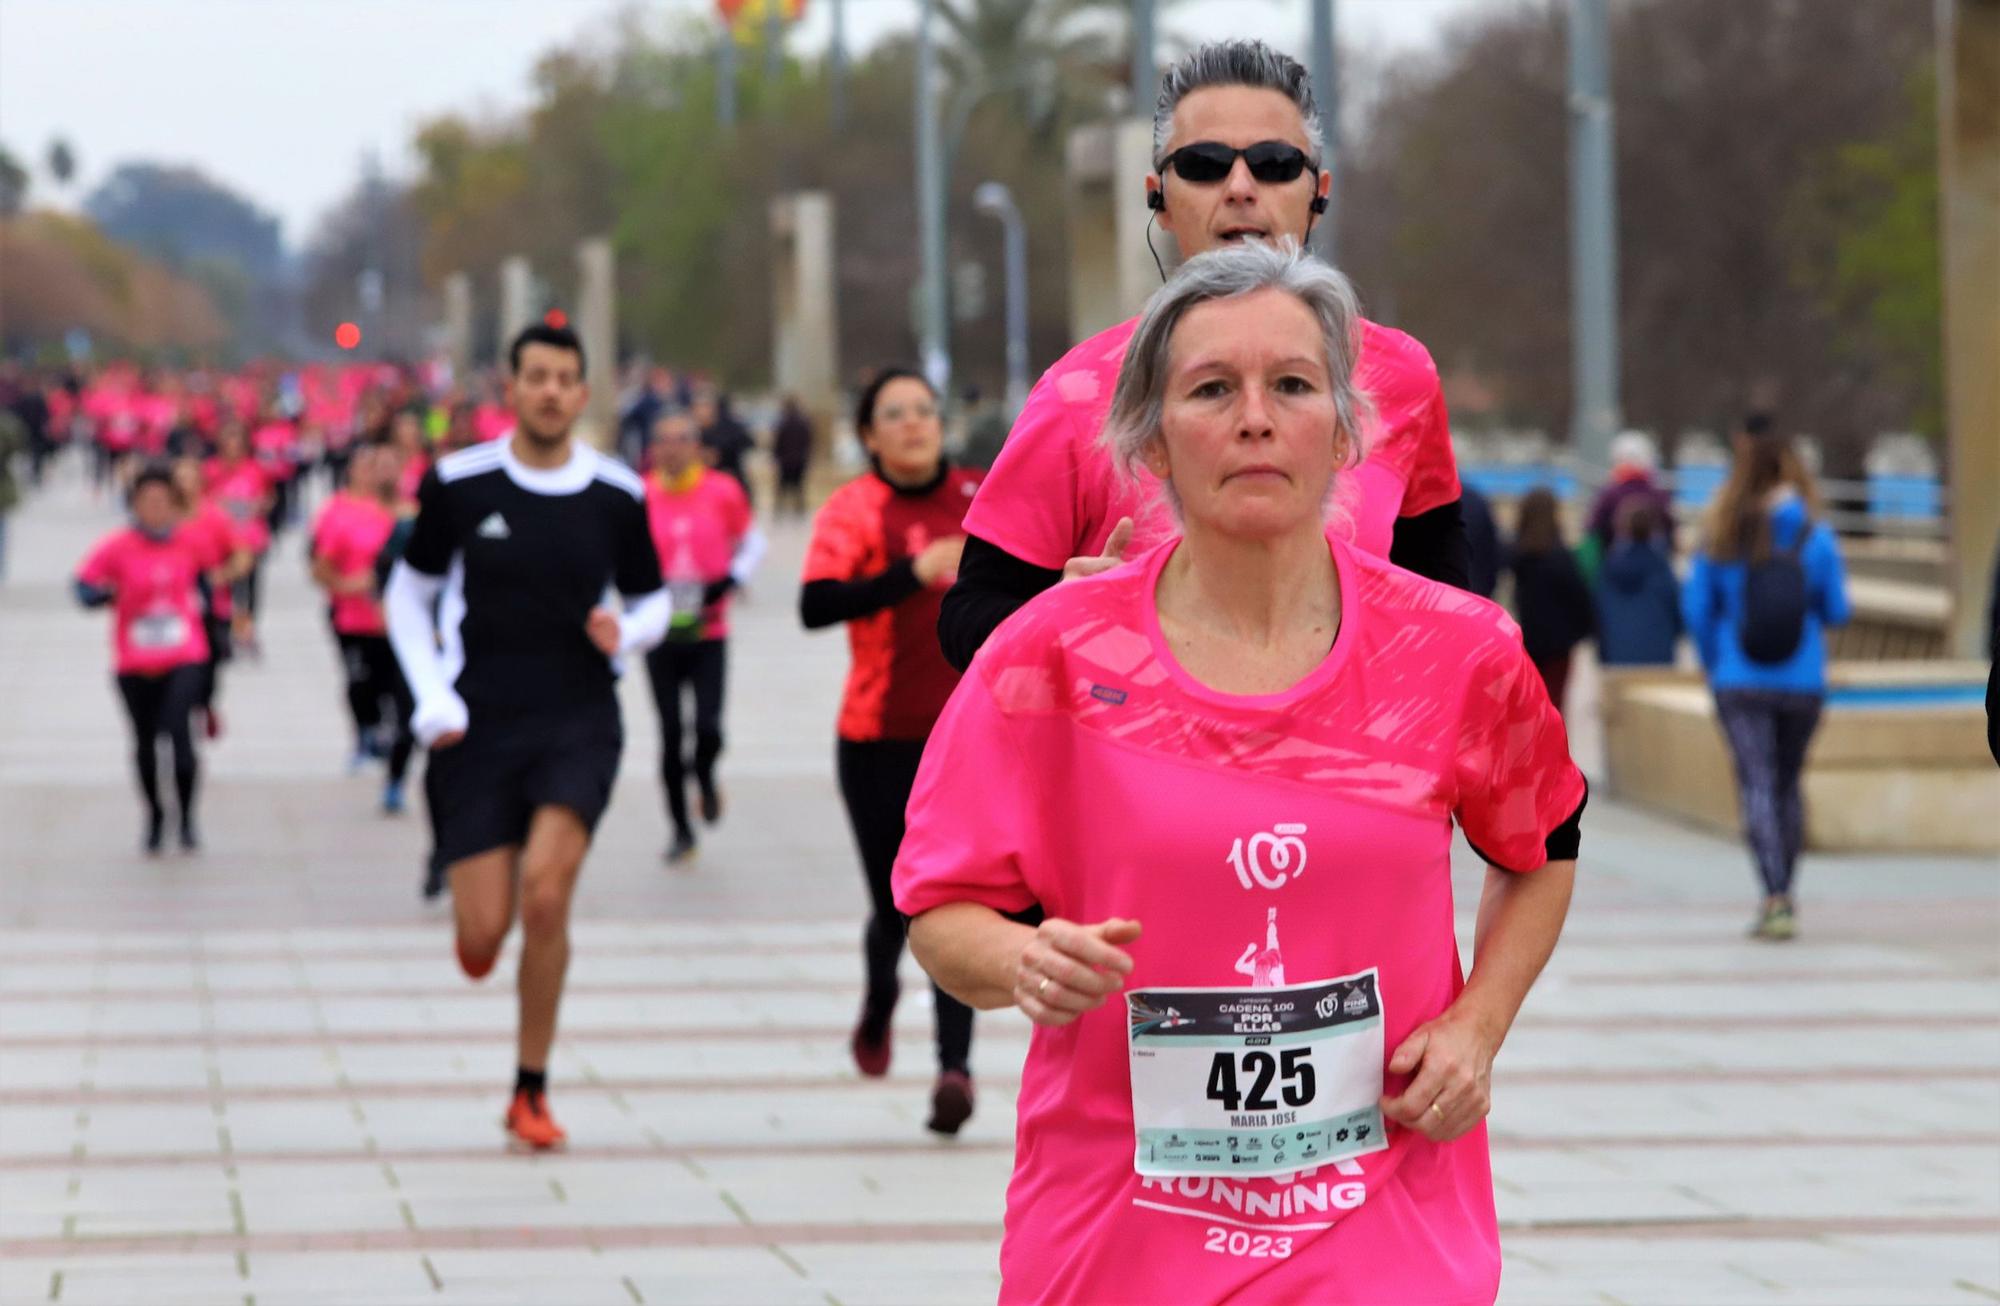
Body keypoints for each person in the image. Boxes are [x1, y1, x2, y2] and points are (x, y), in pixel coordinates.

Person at [894, 243, 1585, 1303]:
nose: (1254, 417)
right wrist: (1022, 960)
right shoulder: (1052, 656)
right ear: (1152, 441)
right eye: (1211, 389)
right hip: (1117, 1236)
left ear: (1344, 432)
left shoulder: (1455, 653)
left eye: (1292, 386)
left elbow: (1543, 846)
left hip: (1381, 1228)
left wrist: (1475, 1024)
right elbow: (941, 911)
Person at [937, 40, 1469, 671]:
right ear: (1158, 198)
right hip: (1144, 761)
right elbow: (966, 618)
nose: (1241, 188)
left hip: (1348, 762)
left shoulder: (1399, 374)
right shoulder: (1078, 391)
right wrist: (1059, 615)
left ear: (1318, 193)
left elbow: (1444, 595)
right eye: (1204, 164)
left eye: (1274, 163)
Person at [384, 323, 669, 1150]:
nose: (549, 391)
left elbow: (653, 599)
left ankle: (529, 1088)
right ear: (509, 389)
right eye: (535, 376)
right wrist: (432, 700)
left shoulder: (618, 492)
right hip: (478, 725)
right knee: (483, 933)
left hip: (580, 718)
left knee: (547, 895)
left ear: (584, 395)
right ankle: (477, 936)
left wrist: (630, 629)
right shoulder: (458, 483)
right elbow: (408, 598)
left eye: (565, 379)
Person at [800, 366, 986, 1137]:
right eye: (894, 415)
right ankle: (880, 996)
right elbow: (816, 605)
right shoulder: (855, 509)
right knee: (895, 906)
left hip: (970, 741)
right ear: (869, 435)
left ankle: (955, 1071)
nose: (914, 424)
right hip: (876, 739)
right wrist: (912, 572)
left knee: (950, 902)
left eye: (924, 411)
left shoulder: (983, 498)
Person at [1683, 428, 1850, 941]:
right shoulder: (1814, 535)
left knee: (1755, 782)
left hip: (1740, 678)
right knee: (1786, 783)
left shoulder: (1722, 532)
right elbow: (1838, 609)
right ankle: (1787, 892)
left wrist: (1717, 663)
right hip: (1802, 681)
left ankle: (1772, 896)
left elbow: (1696, 609)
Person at [643, 411, 764, 863]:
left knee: (708, 729)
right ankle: (680, 828)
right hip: (660, 634)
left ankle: (707, 775)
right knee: (671, 732)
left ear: (697, 446)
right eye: (664, 441)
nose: (672, 448)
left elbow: (753, 542)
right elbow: (622, 554)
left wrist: (730, 580)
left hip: (710, 630)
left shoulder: (722, 490)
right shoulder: (641, 495)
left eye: (681, 439)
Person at [76, 466, 214, 853]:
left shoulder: (191, 542)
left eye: (162, 502)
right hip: (134, 660)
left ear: (174, 505)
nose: (155, 509)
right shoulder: (117, 546)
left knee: (180, 733)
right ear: (134, 505)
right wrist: (102, 596)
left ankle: (187, 818)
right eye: (147, 502)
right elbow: (82, 585)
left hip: (185, 653)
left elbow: (211, 583)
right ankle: (155, 815)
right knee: (145, 741)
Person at [312, 443, 416, 810]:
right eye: (373, 466)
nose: (381, 474)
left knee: (403, 703)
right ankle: (366, 733)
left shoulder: (414, 516)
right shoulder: (344, 514)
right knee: (362, 686)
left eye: (389, 466)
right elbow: (321, 565)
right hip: (355, 619)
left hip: (405, 628)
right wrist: (348, 585)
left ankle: (394, 777)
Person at [170, 457, 248, 740]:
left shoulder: (215, 516)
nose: (184, 485)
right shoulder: (163, 518)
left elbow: (242, 555)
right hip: (174, 608)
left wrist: (220, 575)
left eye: (190, 478)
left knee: (210, 664)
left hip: (212, 606)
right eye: (179, 479)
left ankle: (205, 704)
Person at [1506, 487, 1595, 716]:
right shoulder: (1562, 556)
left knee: (1530, 708)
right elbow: (1580, 597)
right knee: (1555, 707)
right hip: (1559, 644)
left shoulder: (1516, 555)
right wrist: (1580, 632)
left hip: (1528, 640)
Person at [1594, 501, 1681, 666]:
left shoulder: (1608, 567)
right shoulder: (1661, 567)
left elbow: (1598, 612)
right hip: (1658, 652)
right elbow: (1675, 610)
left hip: (1617, 651)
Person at [694, 392, 755, 500]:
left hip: (729, 484)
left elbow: (748, 443)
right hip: (702, 489)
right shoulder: (692, 431)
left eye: (704, 407)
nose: (700, 412)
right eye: (697, 408)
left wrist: (719, 451)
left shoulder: (729, 427)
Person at [770, 396, 814, 518]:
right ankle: (799, 511)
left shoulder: (782, 423)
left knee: (782, 488)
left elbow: (777, 443)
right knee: (799, 487)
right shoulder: (804, 423)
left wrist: (775, 458)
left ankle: (779, 511)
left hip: (785, 461)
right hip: (799, 460)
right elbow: (808, 441)